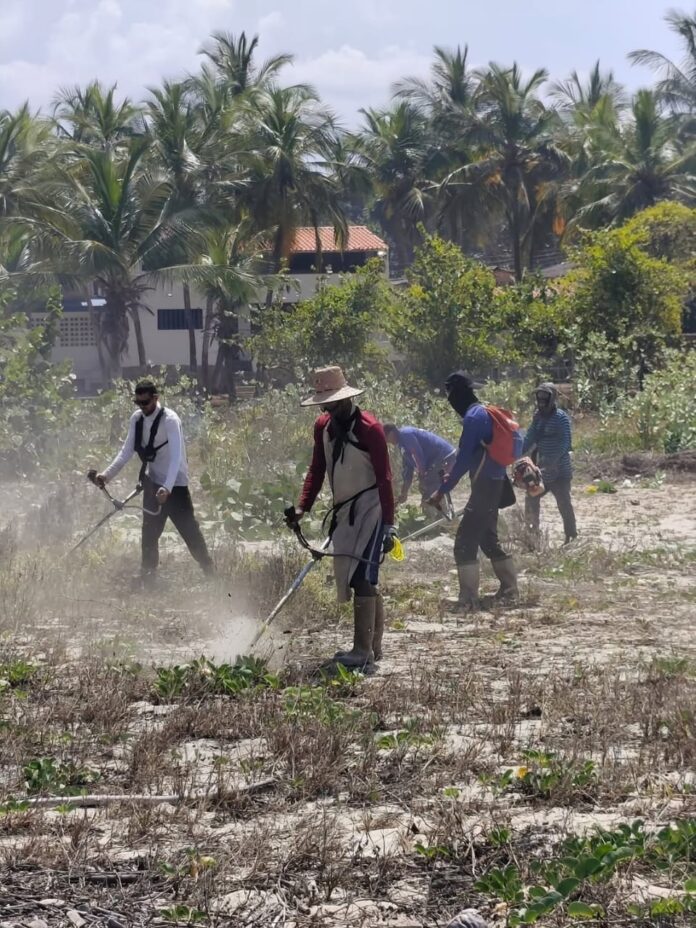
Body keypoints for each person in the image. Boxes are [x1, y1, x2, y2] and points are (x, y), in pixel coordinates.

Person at [289, 366, 397, 668]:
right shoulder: (323, 426)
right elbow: (317, 470)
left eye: (332, 401)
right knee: (356, 579)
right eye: (324, 402)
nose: (327, 407)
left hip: (371, 508)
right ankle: (373, 647)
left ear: (346, 399)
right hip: (344, 510)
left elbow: (385, 477)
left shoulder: (369, 428)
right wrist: (302, 508)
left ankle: (362, 650)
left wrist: (389, 524)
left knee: (363, 576)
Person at [95, 380, 214, 584]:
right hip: (153, 483)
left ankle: (212, 574)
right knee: (149, 535)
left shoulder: (170, 420)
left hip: (175, 486)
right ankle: (148, 580)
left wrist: (166, 488)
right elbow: (126, 451)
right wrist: (107, 475)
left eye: (146, 402)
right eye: (138, 403)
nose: (142, 407)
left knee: (190, 533)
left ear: (156, 398)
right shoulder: (137, 419)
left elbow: (176, 457)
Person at [428, 371, 518, 610]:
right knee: (488, 538)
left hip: (486, 485)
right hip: (496, 482)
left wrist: (442, 490)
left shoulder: (473, 417)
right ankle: (510, 591)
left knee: (464, 541)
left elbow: (466, 457)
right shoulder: (485, 411)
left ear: (455, 394)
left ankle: (468, 599)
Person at [522, 383, 577, 545]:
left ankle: (571, 535)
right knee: (531, 498)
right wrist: (516, 453)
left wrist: (552, 460)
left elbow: (566, 443)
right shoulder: (537, 416)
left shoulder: (561, 418)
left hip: (560, 470)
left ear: (552, 398)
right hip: (543, 470)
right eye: (539, 396)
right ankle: (532, 536)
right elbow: (530, 437)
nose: (541, 400)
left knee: (563, 502)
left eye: (545, 396)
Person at [383, 424, 456, 506]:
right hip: (434, 459)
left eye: (387, 438)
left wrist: (422, 473)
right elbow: (408, 469)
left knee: (429, 486)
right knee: (424, 486)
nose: (388, 442)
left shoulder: (406, 434)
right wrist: (404, 492)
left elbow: (418, 454)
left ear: (392, 432)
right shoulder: (401, 445)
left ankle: (438, 513)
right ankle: (438, 510)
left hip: (443, 455)